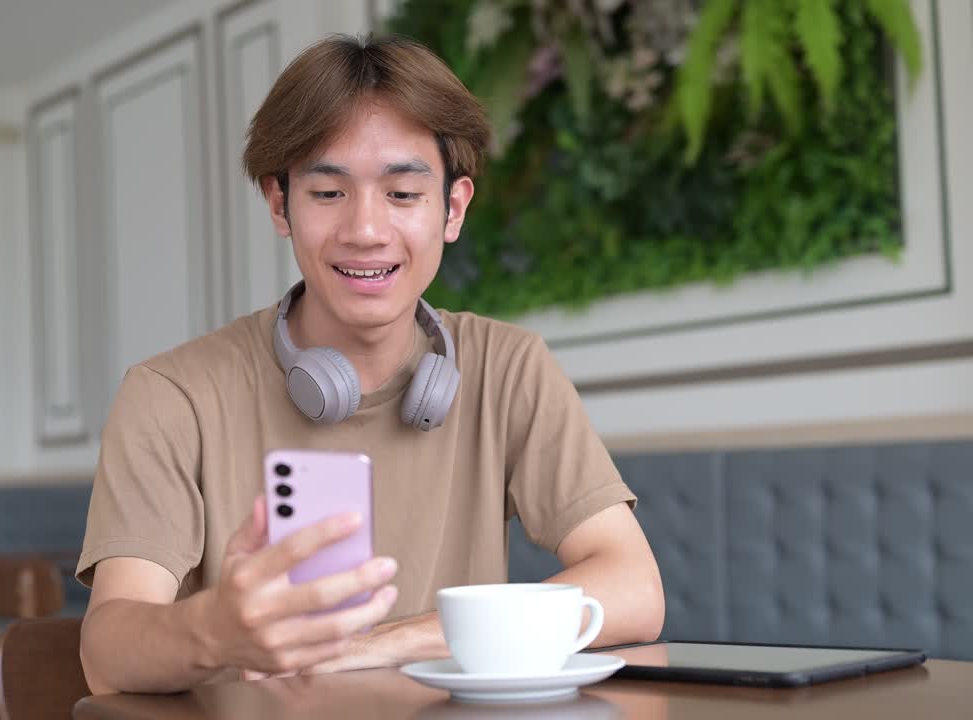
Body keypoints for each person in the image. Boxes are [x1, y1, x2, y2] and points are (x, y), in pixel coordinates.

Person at [76, 33, 664, 695]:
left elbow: (633, 588)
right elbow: (107, 655)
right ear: (279, 204)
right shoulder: (170, 395)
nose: (365, 229)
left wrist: (385, 644)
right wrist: (215, 628)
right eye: (328, 193)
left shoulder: (508, 367)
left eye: (403, 194)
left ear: (453, 208)